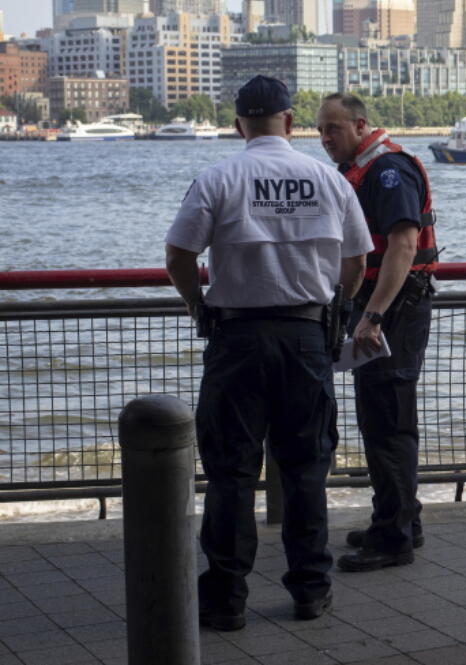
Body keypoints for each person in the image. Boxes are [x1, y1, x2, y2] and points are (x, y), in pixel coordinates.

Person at [165, 76, 372, 631]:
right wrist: (341, 307)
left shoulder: (218, 178)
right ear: (289, 122)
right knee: (306, 468)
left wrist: (197, 303)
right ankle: (310, 589)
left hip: (236, 341)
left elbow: (179, 252)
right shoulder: (328, 181)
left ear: (239, 126)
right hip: (307, 338)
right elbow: (356, 262)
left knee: (231, 471)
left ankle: (226, 598)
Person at [316, 92, 438, 573]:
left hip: (394, 310)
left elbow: (404, 246)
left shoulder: (387, 171)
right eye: (320, 129)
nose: (325, 138)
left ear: (361, 125)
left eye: (334, 129)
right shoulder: (366, 168)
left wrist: (373, 316)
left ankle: (394, 538)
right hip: (386, 308)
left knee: (387, 420)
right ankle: (403, 519)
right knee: (382, 416)